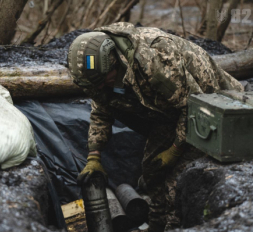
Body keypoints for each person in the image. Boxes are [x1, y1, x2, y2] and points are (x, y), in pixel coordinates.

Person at [67, 22, 243, 232]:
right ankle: (157, 224)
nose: (100, 88)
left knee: (177, 180)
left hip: (210, 107)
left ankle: (175, 225)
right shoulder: (100, 77)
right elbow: (100, 111)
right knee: (152, 170)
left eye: (103, 81)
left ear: (114, 62)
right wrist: (94, 156)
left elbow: (192, 106)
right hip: (168, 112)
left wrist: (174, 150)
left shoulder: (154, 61)